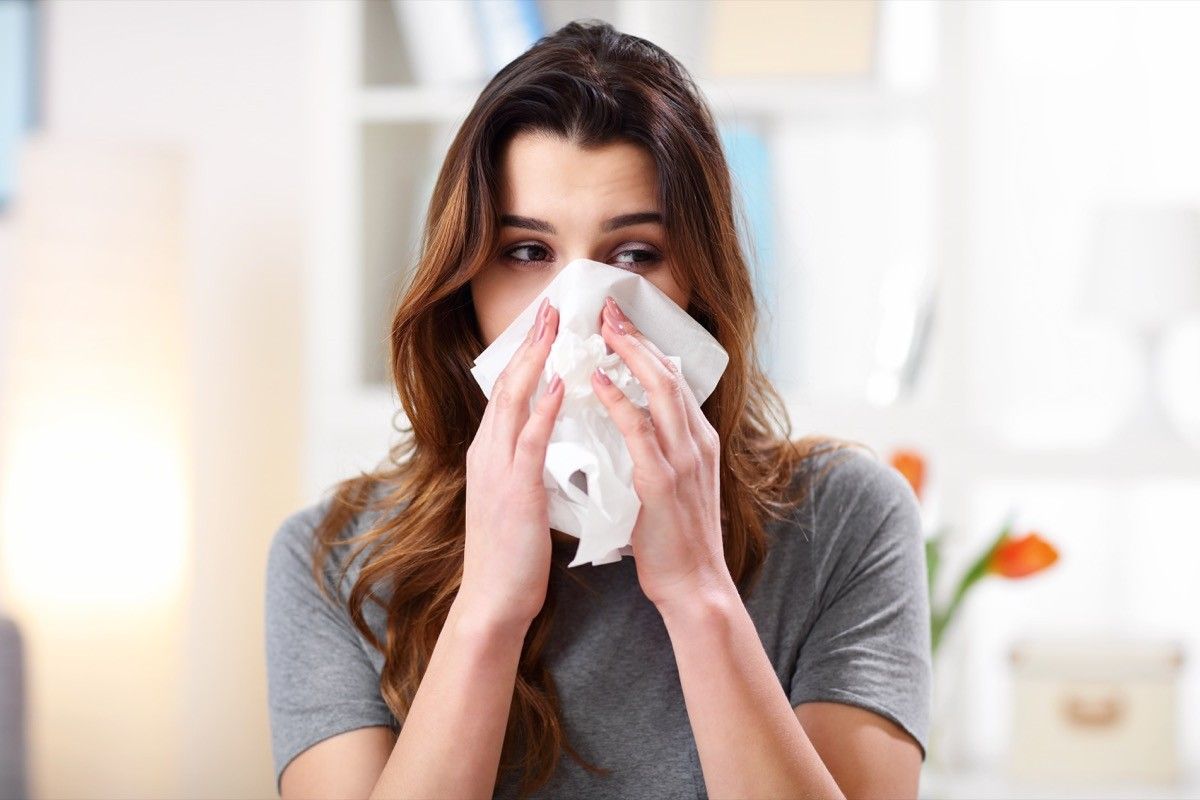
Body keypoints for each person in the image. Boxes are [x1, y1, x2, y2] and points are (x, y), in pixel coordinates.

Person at [265, 19, 930, 800]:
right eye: (526, 252)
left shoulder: (845, 521)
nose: (575, 310)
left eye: (634, 256)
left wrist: (698, 594)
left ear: (698, 283)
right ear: (466, 281)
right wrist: (487, 609)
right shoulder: (338, 558)